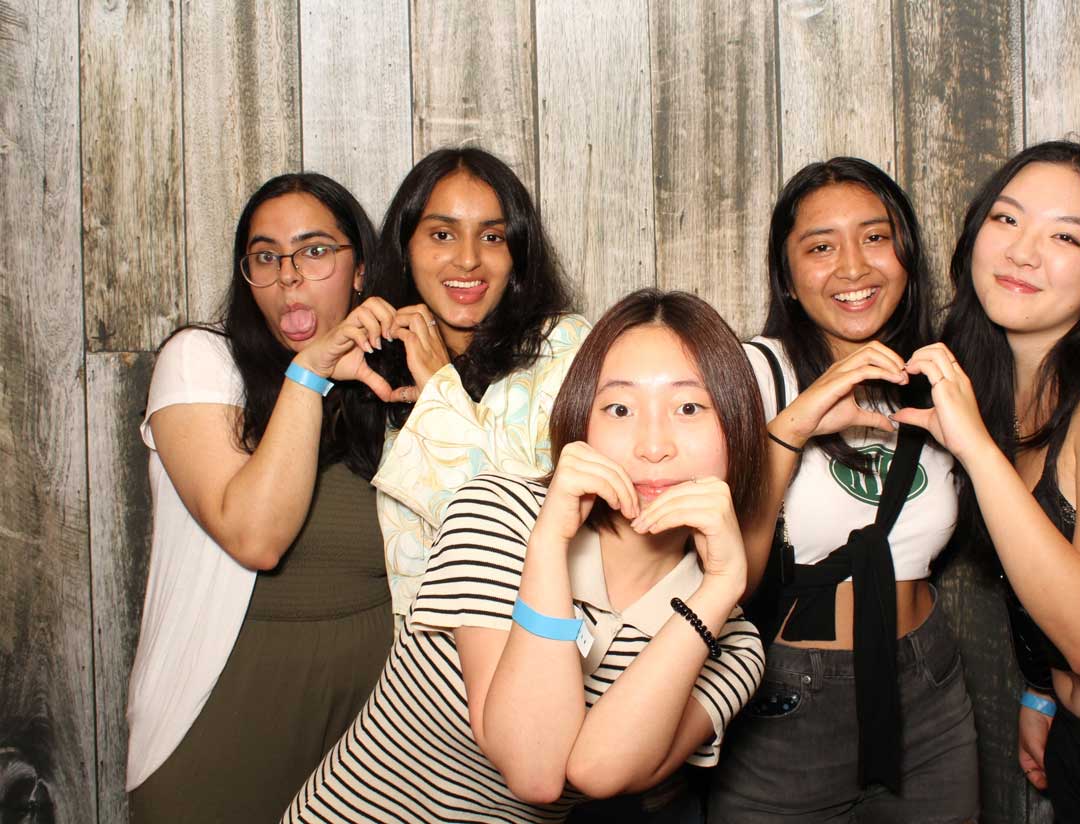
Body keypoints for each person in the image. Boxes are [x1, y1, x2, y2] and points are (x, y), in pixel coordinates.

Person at [282, 289, 768, 824]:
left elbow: (593, 771)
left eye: (689, 407)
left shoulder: (734, 643)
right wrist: (547, 545)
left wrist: (720, 588)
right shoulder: (498, 509)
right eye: (620, 408)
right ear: (582, 422)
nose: (653, 445)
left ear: (737, 428)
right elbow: (532, 768)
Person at [894, 141, 1080, 820]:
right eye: (1007, 220)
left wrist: (974, 446)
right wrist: (1039, 689)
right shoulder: (1007, 390)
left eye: (1065, 235)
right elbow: (1040, 566)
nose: (1023, 251)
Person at [709, 158, 979, 822]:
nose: (853, 267)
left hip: (929, 682)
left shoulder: (937, 377)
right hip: (786, 697)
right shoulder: (753, 372)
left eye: (876, 237)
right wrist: (800, 420)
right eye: (821, 247)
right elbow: (724, 570)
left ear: (907, 257)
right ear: (790, 278)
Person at [126, 173, 400, 821]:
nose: (288, 276)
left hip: (374, 751)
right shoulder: (201, 363)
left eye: (314, 251)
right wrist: (308, 374)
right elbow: (256, 535)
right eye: (266, 256)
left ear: (359, 271)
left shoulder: (387, 392)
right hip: (226, 733)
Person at [365, 147, 588, 621]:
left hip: (533, 647)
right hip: (420, 666)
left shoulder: (566, 348)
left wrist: (436, 390)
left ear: (518, 254)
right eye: (442, 234)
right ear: (406, 247)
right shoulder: (381, 369)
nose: (467, 260)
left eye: (492, 237)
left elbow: (517, 537)